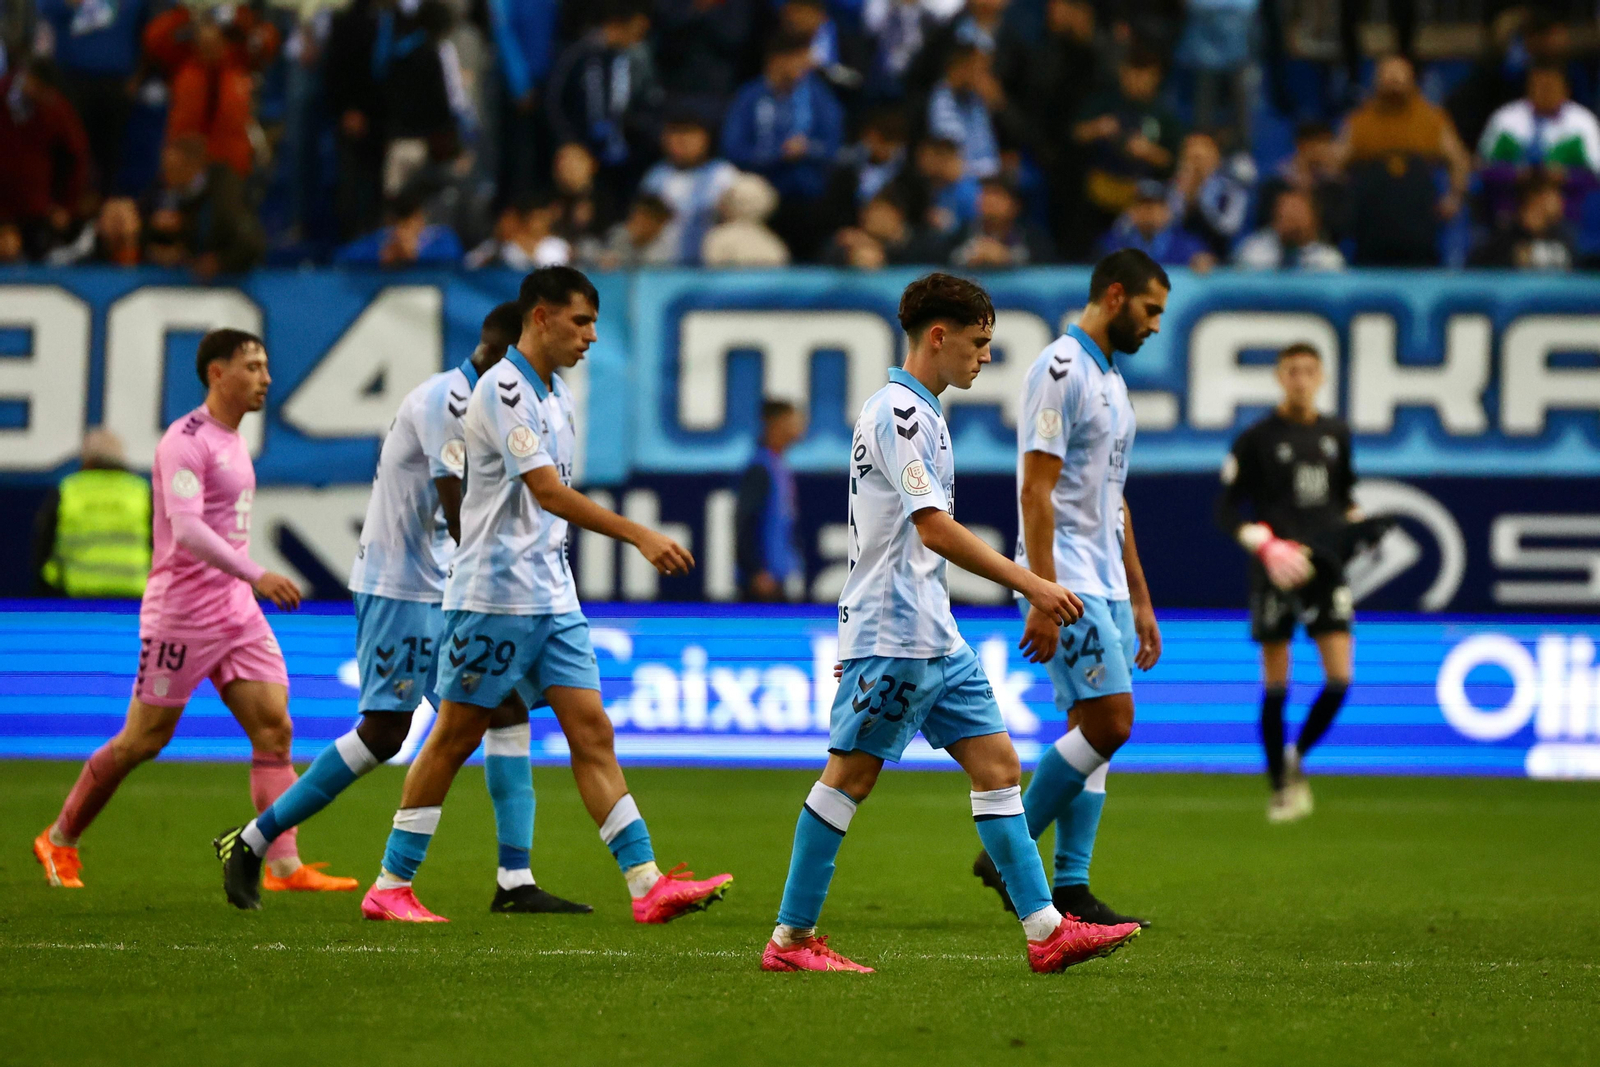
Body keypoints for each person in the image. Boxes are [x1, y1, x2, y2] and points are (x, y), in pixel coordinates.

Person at [761, 273, 1141, 974]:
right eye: (979, 342)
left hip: (935, 631)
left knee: (998, 765)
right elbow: (933, 528)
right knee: (849, 777)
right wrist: (1032, 581)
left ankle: (1046, 930)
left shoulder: (926, 412)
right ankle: (789, 940)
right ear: (939, 336)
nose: (986, 357)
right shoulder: (899, 414)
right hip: (891, 633)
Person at [359, 267, 732, 923]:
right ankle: (391, 884)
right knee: (452, 736)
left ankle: (647, 884)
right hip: (494, 597)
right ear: (540, 318)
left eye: (593, 322)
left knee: (593, 731)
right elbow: (547, 492)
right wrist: (638, 534)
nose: (591, 336)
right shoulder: (504, 389)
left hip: (552, 596)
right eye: (581, 321)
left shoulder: (554, 393)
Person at [214, 304, 588, 915]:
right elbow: (457, 503)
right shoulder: (451, 401)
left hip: (440, 584)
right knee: (385, 733)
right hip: (402, 586)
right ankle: (253, 843)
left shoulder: (497, 397)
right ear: (507, 343)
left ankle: (515, 881)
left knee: (505, 709)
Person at [32, 330, 352, 894]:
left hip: (235, 612)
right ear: (217, 373)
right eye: (253, 366)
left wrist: (245, 587)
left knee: (274, 729)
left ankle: (282, 866)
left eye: (266, 365)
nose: (266, 378)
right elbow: (186, 529)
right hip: (182, 615)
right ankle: (59, 838)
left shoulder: (233, 441)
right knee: (144, 741)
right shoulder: (186, 439)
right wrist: (258, 573)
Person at [972, 249, 1168, 929]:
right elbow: (1035, 487)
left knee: (1093, 730)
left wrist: (1140, 595)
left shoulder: (1109, 378)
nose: (1155, 326)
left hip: (1106, 577)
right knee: (1111, 722)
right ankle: (1008, 847)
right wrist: (1043, 593)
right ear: (1115, 296)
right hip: (1069, 576)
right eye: (1150, 310)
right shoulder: (1060, 371)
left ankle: (1072, 882)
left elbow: (1117, 499)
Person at [1214, 343, 1358, 823]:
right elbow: (1227, 508)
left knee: (1339, 678)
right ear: (1280, 376)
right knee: (1277, 681)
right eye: (1292, 371)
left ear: (1321, 376)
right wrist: (1259, 540)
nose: (1300, 379)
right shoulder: (1256, 437)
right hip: (1277, 566)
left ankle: (1296, 755)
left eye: (1309, 371)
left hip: (1325, 567)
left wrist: (1358, 525)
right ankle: (1280, 785)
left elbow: (1344, 498)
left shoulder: (1337, 433)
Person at [33, 428, 150, 599]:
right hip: (134, 601)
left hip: (76, 599)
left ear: (86, 458)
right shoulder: (142, 492)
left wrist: (50, 582)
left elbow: (43, 546)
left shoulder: (67, 490)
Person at [0, 58, 92, 260]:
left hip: (34, 210)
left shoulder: (55, 107)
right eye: (41, 90)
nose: (45, 98)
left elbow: (77, 156)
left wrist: (66, 206)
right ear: (29, 79)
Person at [139, 133, 266, 277]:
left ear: (193, 166)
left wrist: (219, 262)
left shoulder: (224, 191)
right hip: (187, 286)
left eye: (173, 169)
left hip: (233, 284)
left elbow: (251, 244)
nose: (166, 177)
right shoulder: (163, 191)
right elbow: (145, 234)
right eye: (165, 169)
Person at [638, 107, 740, 265]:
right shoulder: (655, 177)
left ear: (706, 138)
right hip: (662, 268)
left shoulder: (724, 175)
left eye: (689, 133)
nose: (681, 140)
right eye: (674, 133)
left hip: (714, 267)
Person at [735, 400, 806, 601]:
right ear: (777, 423)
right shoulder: (760, 468)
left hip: (778, 576)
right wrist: (756, 570)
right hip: (763, 581)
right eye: (794, 421)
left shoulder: (779, 465)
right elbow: (745, 522)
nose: (800, 426)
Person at [1095, 179, 1212, 270]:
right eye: (1142, 204)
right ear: (1131, 210)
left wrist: (1203, 262)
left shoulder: (1188, 245)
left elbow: (1205, 262)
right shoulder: (1113, 243)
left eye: (1155, 205)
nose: (1148, 211)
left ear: (1167, 211)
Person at [1470, 171, 1574, 271]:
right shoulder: (1504, 240)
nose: (1562, 201)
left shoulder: (1563, 238)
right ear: (1535, 197)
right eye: (1556, 193)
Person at [333, 195, 463, 268]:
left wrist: (415, 255)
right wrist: (380, 257)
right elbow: (341, 257)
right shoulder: (383, 238)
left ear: (420, 219)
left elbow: (456, 257)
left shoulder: (440, 236)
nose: (402, 231)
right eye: (399, 224)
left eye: (409, 223)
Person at [1232, 189, 1345, 271]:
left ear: (1314, 220)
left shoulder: (1328, 260)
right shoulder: (1254, 252)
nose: (1290, 224)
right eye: (1283, 216)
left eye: (1295, 217)